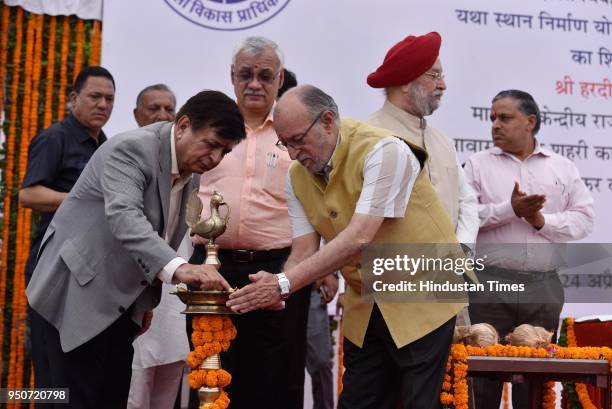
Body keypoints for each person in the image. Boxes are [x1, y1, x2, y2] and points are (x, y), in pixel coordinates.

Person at [227, 85, 474, 409]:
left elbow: (359, 236)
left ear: (328, 121)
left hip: (422, 293)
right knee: (358, 401)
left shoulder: (385, 151)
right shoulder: (296, 177)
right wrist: (280, 290)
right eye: (284, 143)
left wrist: (283, 284)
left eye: (298, 140)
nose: (292, 153)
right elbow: (303, 251)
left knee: (419, 402)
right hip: (367, 302)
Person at [26, 90, 246, 409]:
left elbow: (162, 234)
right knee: (66, 400)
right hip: (73, 295)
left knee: (110, 399)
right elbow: (125, 217)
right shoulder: (132, 148)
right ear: (183, 125)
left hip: (120, 307)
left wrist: (143, 303)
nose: (214, 158)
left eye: (224, 152)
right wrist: (179, 268)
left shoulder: (191, 175)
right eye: (211, 144)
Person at [188, 36, 311, 409]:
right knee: (211, 375)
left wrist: (317, 269)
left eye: (264, 75)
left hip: (278, 270)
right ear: (232, 77)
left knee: (276, 380)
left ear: (278, 80)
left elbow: (318, 203)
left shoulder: (296, 131)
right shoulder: (208, 126)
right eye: (245, 75)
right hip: (211, 271)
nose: (254, 84)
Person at [464, 90, 594, 409]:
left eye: (504, 118)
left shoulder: (561, 168)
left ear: (530, 122)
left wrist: (539, 221)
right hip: (490, 286)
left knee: (536, 382)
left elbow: (584, 219)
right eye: (492, 118)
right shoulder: (476, 165)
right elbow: (465, 216)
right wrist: (510, 209)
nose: (495, 124)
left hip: (542, 288)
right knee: (482, 382)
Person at [19, 66, 115, 396]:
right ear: (73, 99)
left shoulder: (105, 144)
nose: (103, 104)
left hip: (88, 272)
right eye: (95, 96)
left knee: (83, 378)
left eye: (109, 99)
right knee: (55, 375)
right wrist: (81, 200)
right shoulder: (54, 137)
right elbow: (28, 194)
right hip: (53, 268)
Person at [367, 32, 479, 250]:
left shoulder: (443, 142)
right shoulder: (369, 137)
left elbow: (466, 202)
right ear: (405, 82)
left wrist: (462, 249)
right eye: (434, 76)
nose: (443, 85)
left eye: (442, 76)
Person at [127, 84, 188, 409]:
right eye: (155, 109)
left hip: (172, 289)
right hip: (132, 290)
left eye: (170, 109)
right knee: (134, 387)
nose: (163, 116)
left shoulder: (188, 168)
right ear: (137, 115)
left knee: (169, 377)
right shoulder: (127, 157)